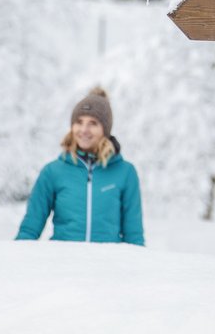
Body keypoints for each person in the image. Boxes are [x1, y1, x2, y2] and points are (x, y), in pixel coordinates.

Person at [16, 87, 144, 245]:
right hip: (63, 263)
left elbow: (134, 235)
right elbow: (29, 229)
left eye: (93, 123)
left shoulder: (125, 172)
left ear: (105, 129)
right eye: (79, 122)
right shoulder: (53, 172)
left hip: (109, 265)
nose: (84, 130)